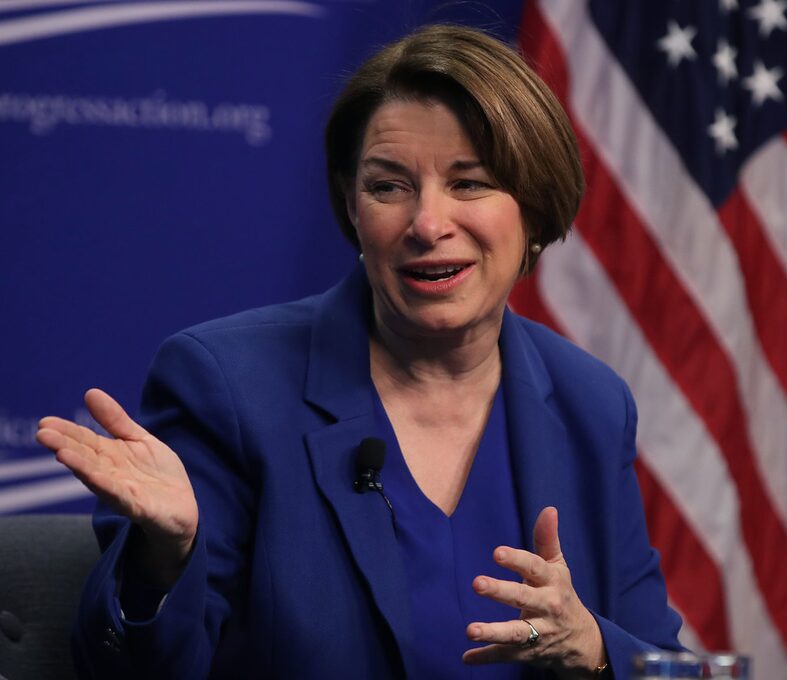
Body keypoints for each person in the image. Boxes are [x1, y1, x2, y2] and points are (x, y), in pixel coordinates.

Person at [36, 23, 683, 679]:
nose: (427, 224)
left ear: (534, 210)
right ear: (352, 206)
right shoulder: (231, 386)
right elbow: (130, 669)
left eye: (469, 183)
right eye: (388, 186)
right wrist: (165, 559)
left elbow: (668, 663)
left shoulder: (590, 405)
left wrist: (596, 649)